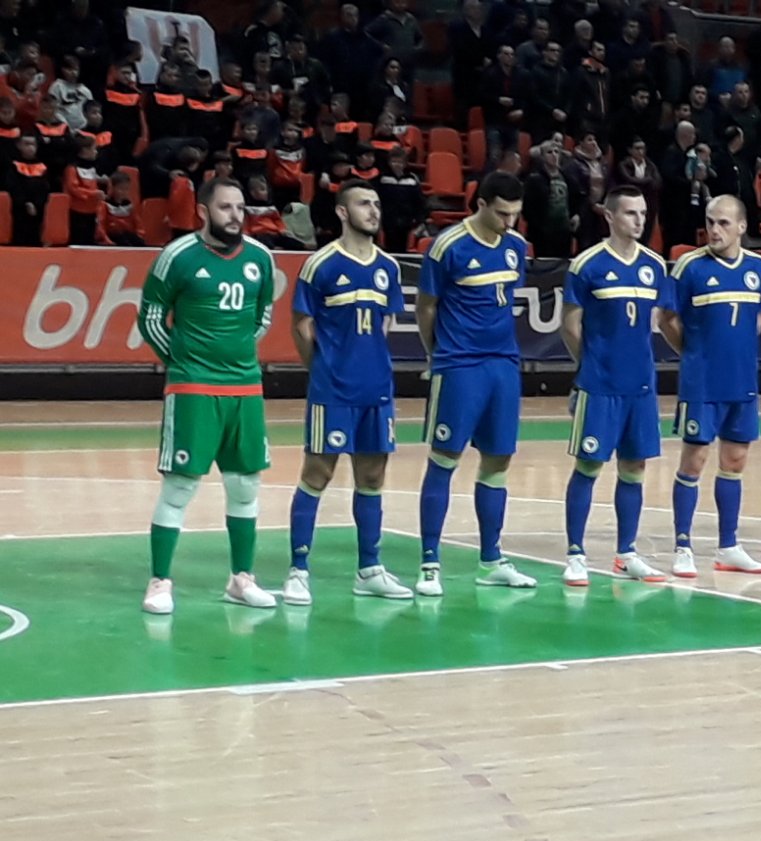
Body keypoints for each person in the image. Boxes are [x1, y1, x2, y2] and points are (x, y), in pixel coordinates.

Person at [136, 178, 278, 615]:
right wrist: (184, 361)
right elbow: (150, 317)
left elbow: (262, 316)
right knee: (180, 486)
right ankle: (160, 581)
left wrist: (235, 356)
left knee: (245, 485)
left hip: (245, 387)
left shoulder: (260, 257)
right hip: (194, 387)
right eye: (225, 207)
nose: (235, 216)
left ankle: (241, 578)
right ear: (203, 211)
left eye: (240, 208)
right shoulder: (177, 256)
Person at [282, 180, 413, 605]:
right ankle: (298, 570)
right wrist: (323, 370)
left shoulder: (388, 267)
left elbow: (385, 324)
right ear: (342, 212)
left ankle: (369, 569)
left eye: (376, 204)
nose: (373, 211)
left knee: (372, 476)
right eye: (363, 204)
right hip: (333, 390)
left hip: (377, 390)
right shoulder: (320, 264)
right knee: (317, 474)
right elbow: (302, 327)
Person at [415, 171, 540, 595]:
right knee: (444, 458)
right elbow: (426, 307)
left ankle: (491, 560)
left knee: (498, 460)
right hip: (459, 365)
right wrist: (438, 355)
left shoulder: (515, 246)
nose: (509, 222)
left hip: (503, 364)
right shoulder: (447, 245)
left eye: (515, 214)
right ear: (481, 204)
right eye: (502, 213)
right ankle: (429, 562)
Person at [559, 186, 673, 587]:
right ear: (609, 216)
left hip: (640, 386)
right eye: (629, 213)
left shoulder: (655, 265)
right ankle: (575, 554)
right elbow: (569, 325)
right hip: (599, 386)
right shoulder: (587, 265)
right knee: (589, 465)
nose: (639, 220)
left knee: (634, 467)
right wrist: (589, 366)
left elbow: (655, 321)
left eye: (642, 213)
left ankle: (626, 553)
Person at [658, 195, 761, 577]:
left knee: (735, 460)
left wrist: (740, 345)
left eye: (723, 222)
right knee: (694, 460)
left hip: (742, 382)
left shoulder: (758, 267)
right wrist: (693, 353)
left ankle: (728, 546)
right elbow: (666, 320)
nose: (714, 229)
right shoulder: (689, 266)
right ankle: (683, 545)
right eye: (710, 222)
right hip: (702, 384)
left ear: (741, 226)